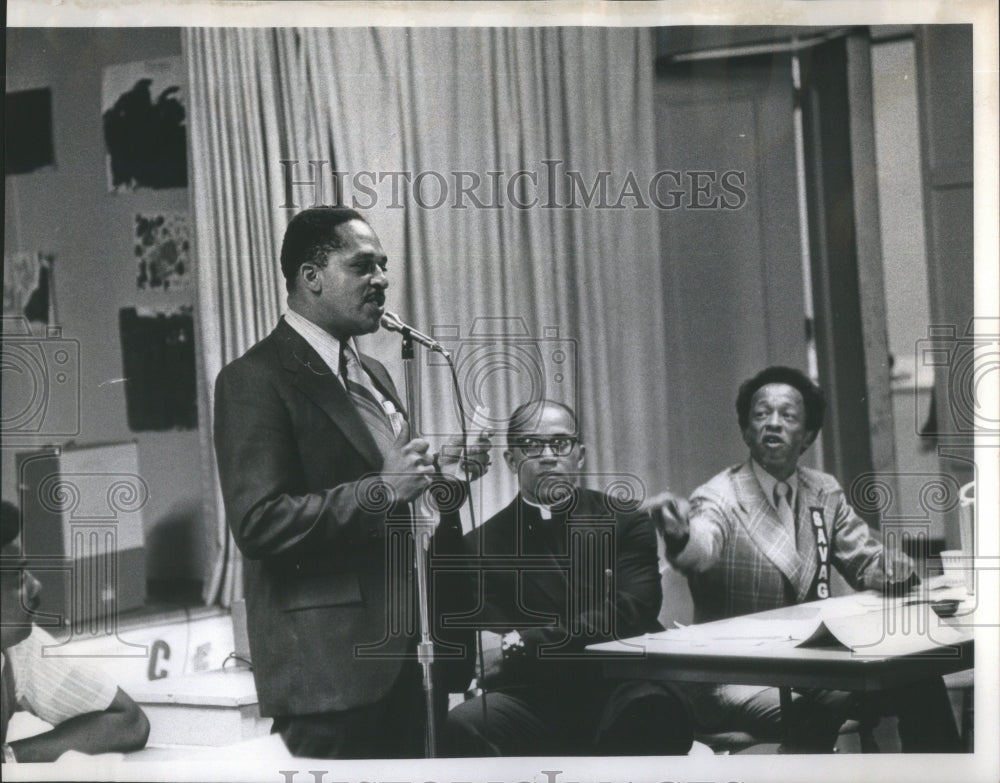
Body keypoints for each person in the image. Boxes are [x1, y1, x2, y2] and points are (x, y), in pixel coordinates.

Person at [213, 206, 488, 758]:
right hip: (331, 669)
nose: (382, 279)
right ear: (310, 277)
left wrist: (437, 472)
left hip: (412, 651)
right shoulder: (253, 380)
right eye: (363, 266)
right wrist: (383, 488)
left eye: (383, 266)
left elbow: (386, 487)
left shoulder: (374, 373)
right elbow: (259, 523)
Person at [651, 366, 962, 753]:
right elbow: (702, 547)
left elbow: (864, 557)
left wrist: (888, 567)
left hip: (815, 668)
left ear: (809, 435)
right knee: (817, 711)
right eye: (761, 414)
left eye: (788, 416)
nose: (773, 424)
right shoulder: (719, 496)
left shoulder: (823, 489)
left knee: (919, 680)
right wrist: (679, 534)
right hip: (737, 674)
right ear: (747, 431)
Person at [444, 399, 693, 756]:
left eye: (560, 443)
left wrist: (519, 644)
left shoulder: (625, 520)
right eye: (531, 445)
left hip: (624, 685)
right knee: (465, 724)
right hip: (539, 698)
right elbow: (491, 656)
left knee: (649, 712)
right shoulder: (480, 545)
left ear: (580, 454)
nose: (548, 455)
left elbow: (632, 613)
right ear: (511, 460)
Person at [1, 501, 149, 763]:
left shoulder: (18, 643)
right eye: (18, 576)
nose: (36, 587)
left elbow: (129, 722)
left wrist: (9, 758)